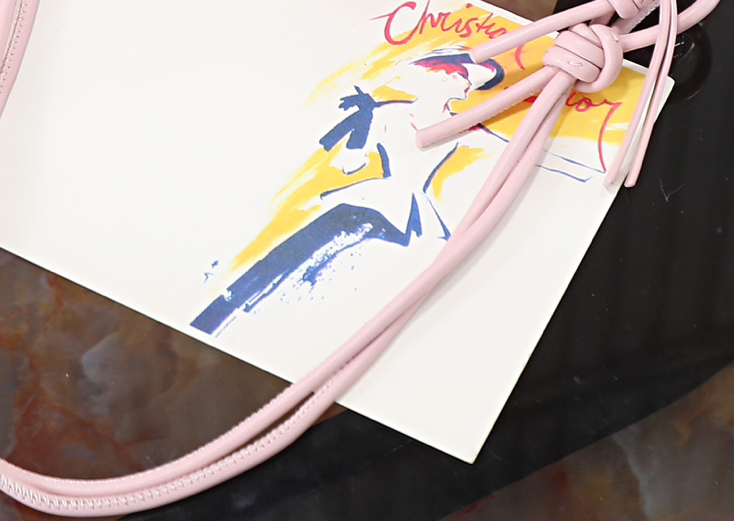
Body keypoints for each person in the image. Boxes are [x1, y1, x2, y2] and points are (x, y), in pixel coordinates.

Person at [191, 48, 504, 336]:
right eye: (463, 76)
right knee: (289, 263)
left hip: (409, 213)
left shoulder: (465, 125)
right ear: (440, 73)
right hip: (367, 201)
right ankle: (224, 317)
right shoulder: (388, 112)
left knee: (382, 284)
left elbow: (503, 149)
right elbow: (349, 165)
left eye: (473, 81)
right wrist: (364, 122)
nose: (468, 86)